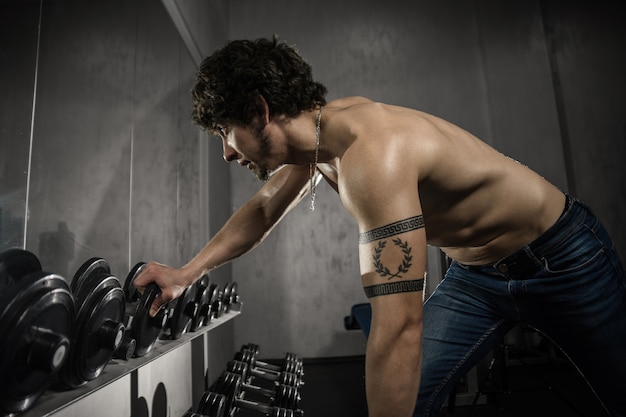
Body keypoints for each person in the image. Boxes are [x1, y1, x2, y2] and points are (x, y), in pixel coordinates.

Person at [133, 37, 626, 417]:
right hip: (477, 279)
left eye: (225, 131)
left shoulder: (373, 154)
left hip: (562, 258)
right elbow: (263, 210)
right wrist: (186, 273)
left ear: (260, 111)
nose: (226, 151)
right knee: (406, 397)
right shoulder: (320, 142)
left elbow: (398, 327)